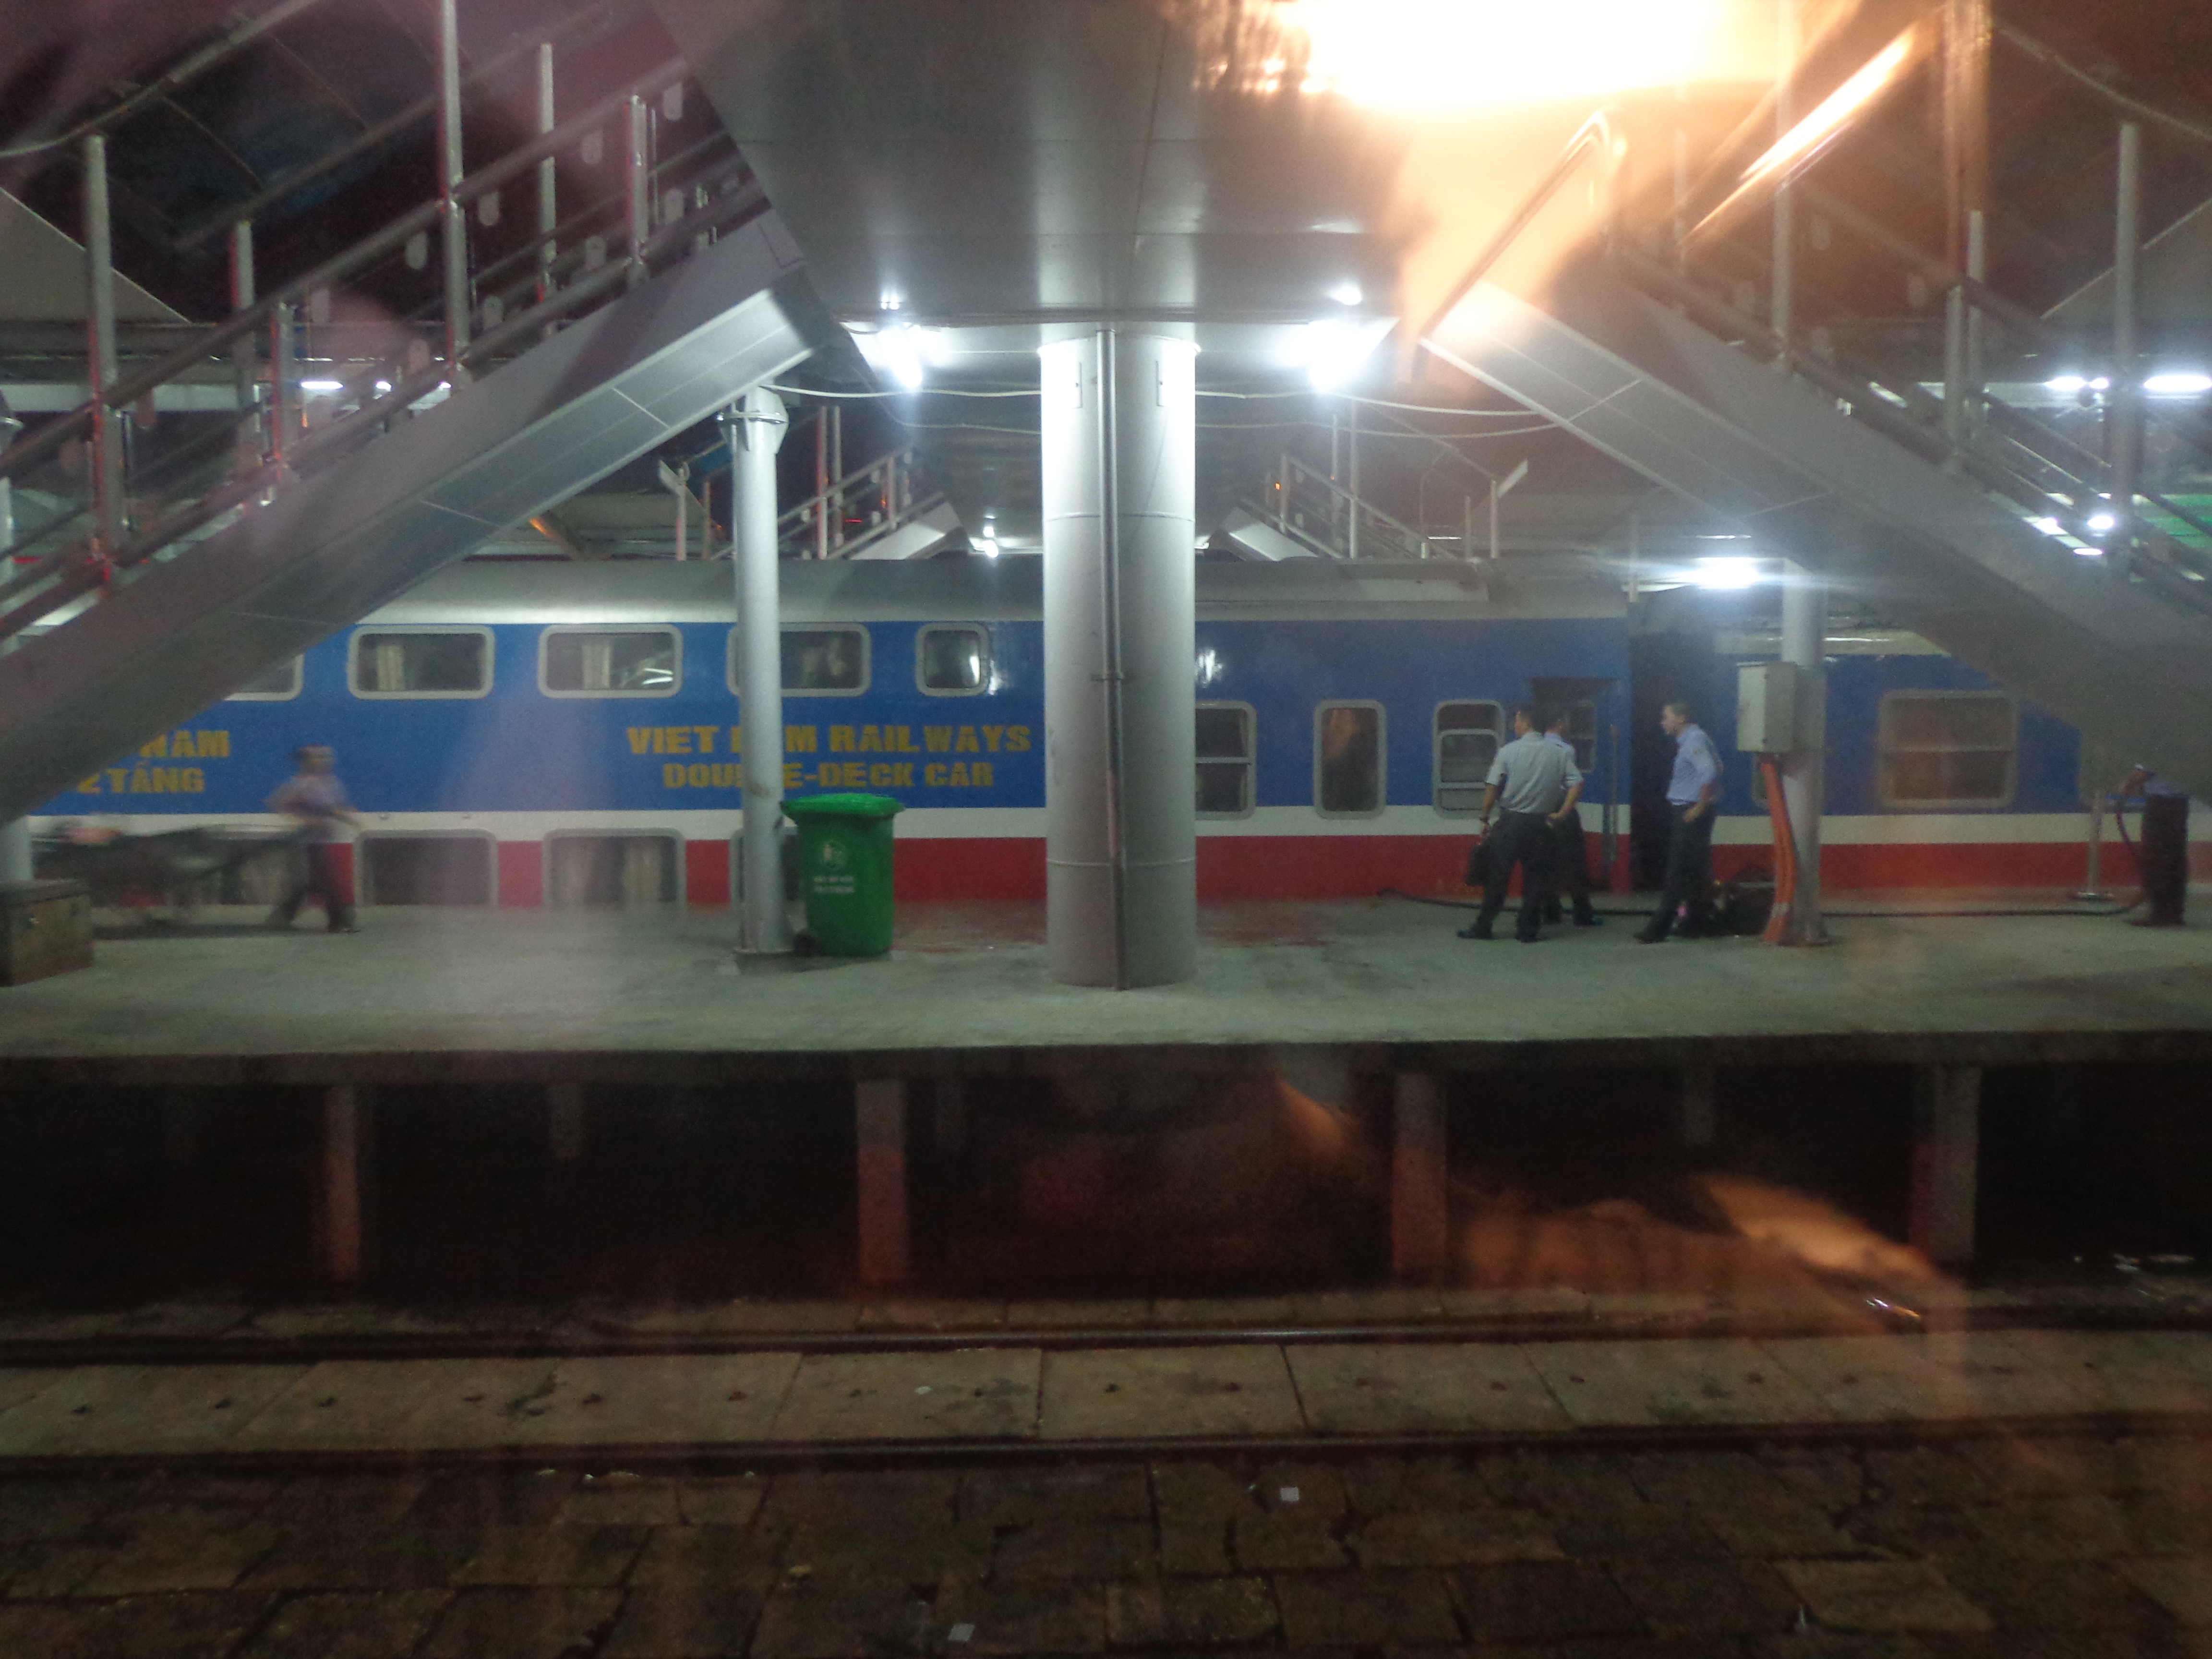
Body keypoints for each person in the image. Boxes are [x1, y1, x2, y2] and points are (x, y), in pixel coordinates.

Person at [1461, 705, 1582, 943]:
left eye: (1516, 721)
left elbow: (1492, 787)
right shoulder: (1559, 753)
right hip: (1542, 824)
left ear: (1526, 723)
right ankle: (1527, 930)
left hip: (1511, 823)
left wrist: (1484, 818)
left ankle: (1484, 926)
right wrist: (1563, 812)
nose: (1514, 726)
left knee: (1498, 876)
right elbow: (1577, 783)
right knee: (1536, 878)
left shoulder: (1508, 752)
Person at [1635, 699, 1721, 944]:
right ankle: (1697, 922)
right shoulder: (1696, 739)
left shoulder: (1694, 741)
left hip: (1689, 811)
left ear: (1681, 719)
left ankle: (1657, 930)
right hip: (1692, 809)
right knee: (1695, 871)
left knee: (1677, 870)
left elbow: (1710, 773)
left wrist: (1700, 807)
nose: (1663, 722)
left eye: (1666, 717)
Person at [267, 745, 360, 933]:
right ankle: (340, 921)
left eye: (326, 757)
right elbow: (279, 803)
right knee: (324, 882)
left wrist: (348, 814)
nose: (323, 761)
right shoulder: (300, 783)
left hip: (336, 839)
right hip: (314, 841)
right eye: (317, 757)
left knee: (332, 881)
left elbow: (337, 807)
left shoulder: (332, 783)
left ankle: (340, 921)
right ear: (306, 762)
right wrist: (306, 820)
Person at [1540, 707, 1601, 927]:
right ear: (1559, 723)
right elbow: (1573, 783)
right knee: (1574, 862)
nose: (1569, 725)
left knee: (1545, 861)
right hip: (1561, 806)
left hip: (1539, 808)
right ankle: (1582, 913)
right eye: (1567, 721)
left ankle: (1551, 911)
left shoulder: (1535, 747)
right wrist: (1565, 811)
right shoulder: (1565, 749)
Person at [2121, 763, 2189, 927]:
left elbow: (2143, 773)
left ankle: (2161, 914)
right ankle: (2173, 913)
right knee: (2174, 857)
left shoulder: (2156, 745)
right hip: (2179, 803)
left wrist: (2128, 785)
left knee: (2158, 858)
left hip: (2161, 804)